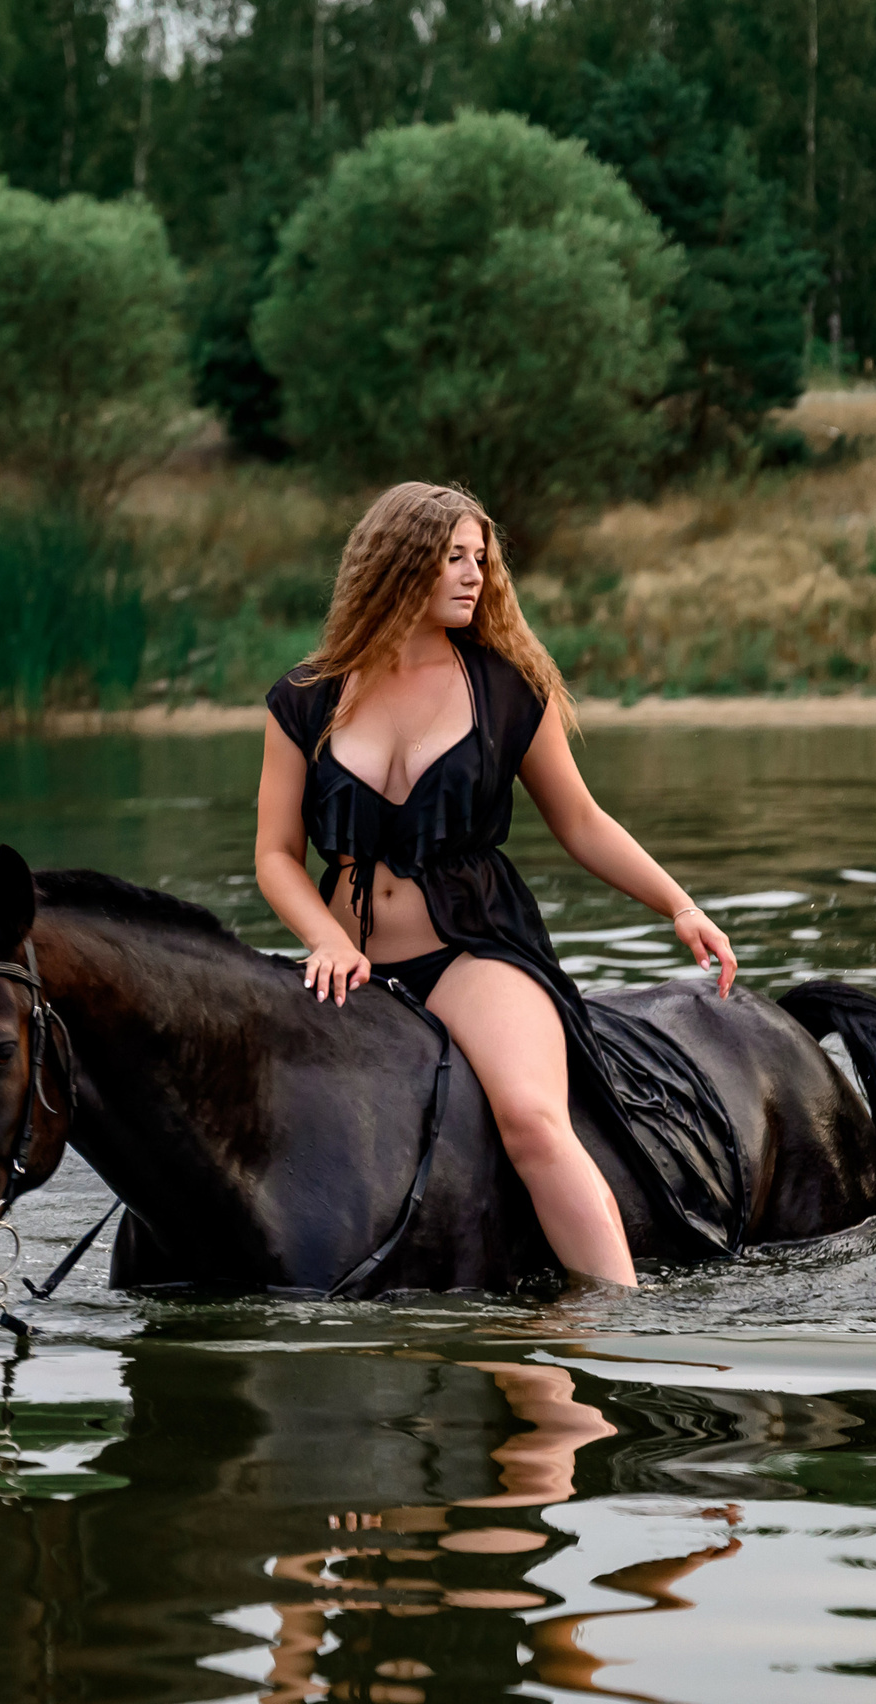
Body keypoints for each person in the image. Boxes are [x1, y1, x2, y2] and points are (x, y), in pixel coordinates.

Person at [254, 481, 744, 1290]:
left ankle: (619, 1324)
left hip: (472, 952)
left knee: (533, 1122)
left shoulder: (508, 687)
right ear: (396, 562)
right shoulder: (305, 698)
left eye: (480, 559)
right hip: (344, 965)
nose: (473, 575)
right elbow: (275, 853)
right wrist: (327, 939)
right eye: (452, 558)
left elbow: (582, 821)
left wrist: (678, 904)